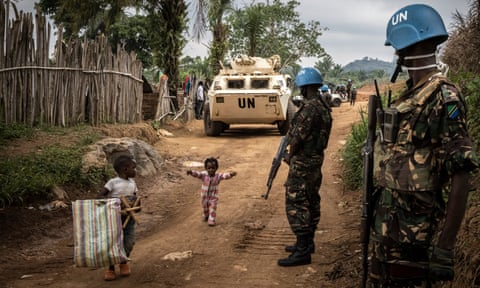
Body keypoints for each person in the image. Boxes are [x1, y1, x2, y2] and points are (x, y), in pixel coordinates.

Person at [368, 4, 479, 287]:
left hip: (416, 240)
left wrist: (444, 247)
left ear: (406, 46)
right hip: (390, 234)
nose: (396, 54)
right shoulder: (411, 95)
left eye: (397, 47)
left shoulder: (444, 97)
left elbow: (462, 172)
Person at [278, 67, 332, 267]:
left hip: (303, 163)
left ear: (306, 87)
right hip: (315, 160)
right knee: (310, 199)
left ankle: (302, 251)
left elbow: (297, 138)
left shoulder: (310, 108)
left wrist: (289, 157)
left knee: (296, 202)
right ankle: (307, 244)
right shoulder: (324, 107)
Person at [100, 155, 140, 281]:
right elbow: (102, 196)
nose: (136, 170)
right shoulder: (112, 183)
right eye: (134, 168)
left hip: (129, 218)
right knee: (112, 241)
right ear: (125, 169)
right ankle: (111, 268)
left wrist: (137, 207)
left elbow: (135, 198)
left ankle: (123, 262)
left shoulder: (133, 183)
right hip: (114, 217)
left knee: (129, 241)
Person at [186, 157, 237, 226]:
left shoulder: (218, 176)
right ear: (206, 168)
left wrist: (230, 174)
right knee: (205, 207)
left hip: (213, 196)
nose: (211, 170)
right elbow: (198, 174)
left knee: (213, 207)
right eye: (209, 168)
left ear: (216, 168)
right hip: (204, 196)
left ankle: (211, 220)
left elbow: (224, 176)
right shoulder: (204, 175)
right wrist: (191, 172)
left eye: (213, 168)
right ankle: (206, 215)